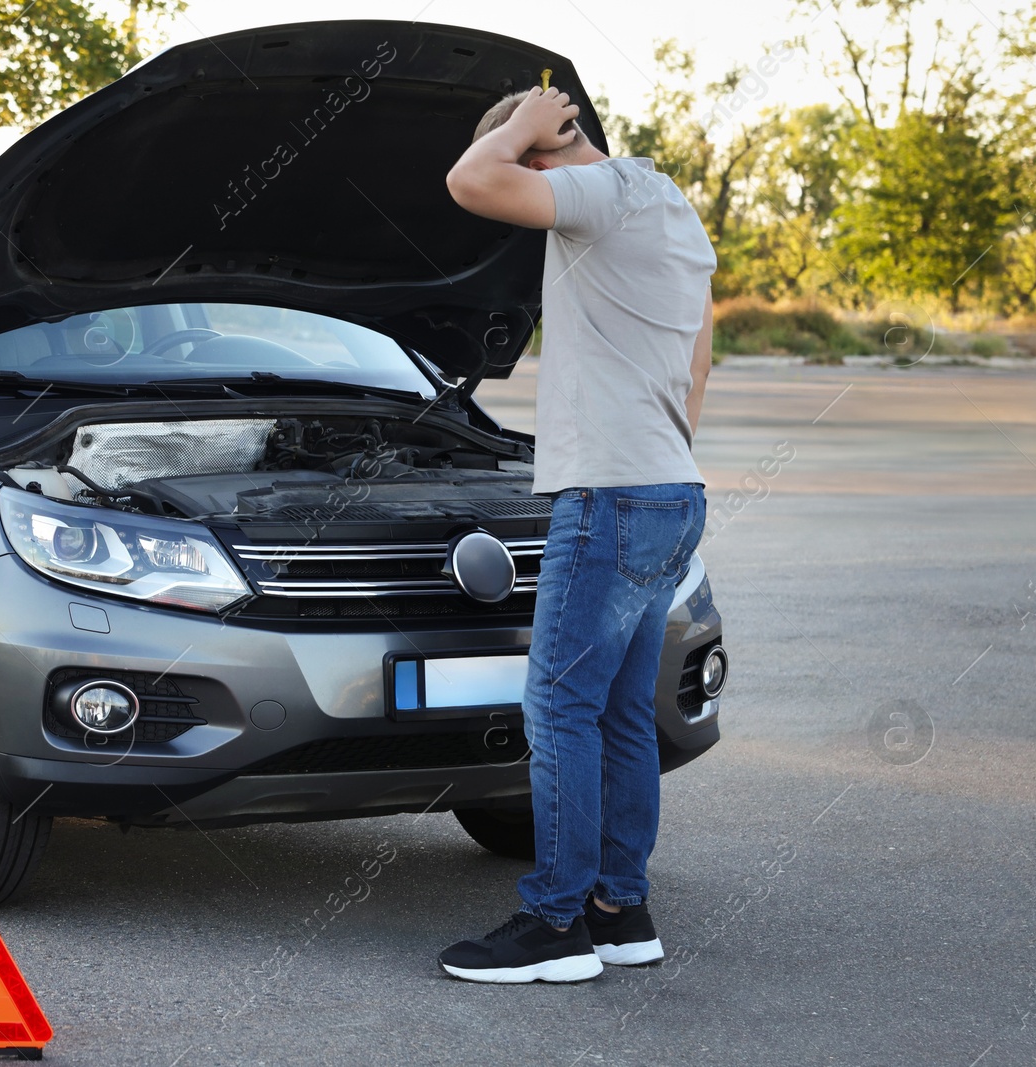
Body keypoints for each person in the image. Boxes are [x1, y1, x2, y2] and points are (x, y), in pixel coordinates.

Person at [438, 85, 715, 983]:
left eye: (530, 163)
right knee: (624, 714)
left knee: (558, 709)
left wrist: (523, 128)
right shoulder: (668, 203)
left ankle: (554, 920)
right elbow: (699, 364)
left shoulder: (601, 195)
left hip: (610, 497)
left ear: (545, 156)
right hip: (671, 486)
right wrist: (657, 453)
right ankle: (619, 909)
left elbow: (468, 183)